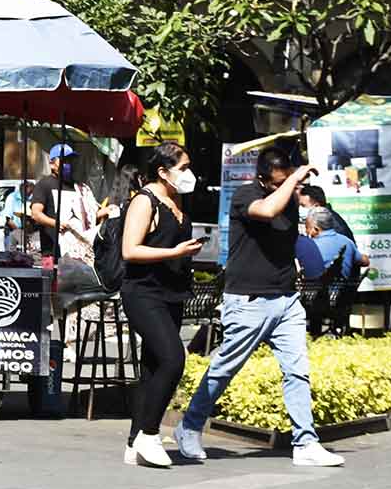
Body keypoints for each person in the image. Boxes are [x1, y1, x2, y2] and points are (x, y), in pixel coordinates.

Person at [177, 142, 345, 468]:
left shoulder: (291, 200)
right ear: (263, 179)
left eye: (290, 184)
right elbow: (266, 211)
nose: (286, 190)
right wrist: (294, 179)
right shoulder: (245, 196)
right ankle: (190, 425)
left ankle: (305, 443)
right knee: (225, 368)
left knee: (297, 371)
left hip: (286, 301)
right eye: (279, 183)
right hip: (249, 301)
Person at [119, 143, 204, 469]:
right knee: (173, 359)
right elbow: (130, 250)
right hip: (143, 292)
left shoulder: (175, 199)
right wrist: (176, 253)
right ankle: (149, 434)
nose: (189, 174)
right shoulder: (145, 200)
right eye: (183, 168)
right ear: (162, 171)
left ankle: (133, 442)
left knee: (153, 367)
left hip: (171, 292)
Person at [28, 144, 97, 261]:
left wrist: (107, 211)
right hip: (51, 252)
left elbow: (90, 215)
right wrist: (55, 223)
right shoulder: (44, 184)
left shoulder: (79, 187)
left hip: (77, 252)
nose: (68, 164)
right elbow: (36, 213)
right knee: (51, 279)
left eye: (71, 160)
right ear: (52, 163)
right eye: (64, 160)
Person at [302, 207, 366, 281]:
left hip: (317, 290)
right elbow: (365, 262)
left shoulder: (308, 246)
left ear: (315, 229)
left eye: (307, 227)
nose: (306, 231)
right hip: (344, 290)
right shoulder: (347, 241)